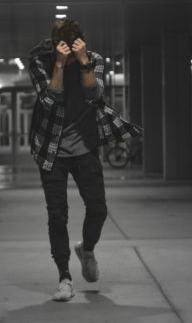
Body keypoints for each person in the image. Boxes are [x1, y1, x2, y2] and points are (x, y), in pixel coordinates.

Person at [27, 19, 143, 302]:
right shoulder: (39, 61)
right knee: (57, 215)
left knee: (99, 208)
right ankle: (64, 278)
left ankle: (87, 248)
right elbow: (49, 100)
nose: (64, 47)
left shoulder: (94, 59)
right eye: (60, 43)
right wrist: (58, 63)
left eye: (71, 42)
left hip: (85, 148)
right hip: (50, 150)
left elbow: (94, 94)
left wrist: (82, 62)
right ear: (54, 43)